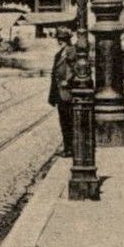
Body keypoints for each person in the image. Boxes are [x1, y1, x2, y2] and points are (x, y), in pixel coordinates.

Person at [47, 27, 76, 158]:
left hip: (67, 92)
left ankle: (70, 149)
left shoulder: (71, 52)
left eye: (62, 39)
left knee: (68, 122)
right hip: (59, 92)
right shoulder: (60, 53)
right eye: (59, 39)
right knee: (64, 121)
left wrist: (67, 80)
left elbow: (75, 68)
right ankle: (67, 147)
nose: (59, 42)